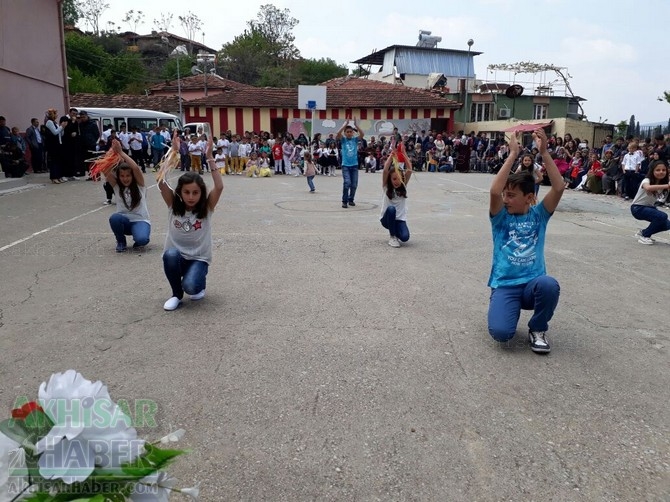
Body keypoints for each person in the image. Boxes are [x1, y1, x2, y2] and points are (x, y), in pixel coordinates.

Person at [487, 128, 564, 354]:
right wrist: (513, 154)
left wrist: (545, 152)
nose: (505, 199)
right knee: (501, 334)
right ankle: (500, 302)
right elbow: (494, 191)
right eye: (505, 195)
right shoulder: (500, 218)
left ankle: (538, 329)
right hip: (505, 284)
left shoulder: (539, 215)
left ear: (530, 198)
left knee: (549, 284)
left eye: (511, 196)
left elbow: (559, 187)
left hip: (533, 284)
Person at [158, 135, 224, 311]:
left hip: (198, 259)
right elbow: (160, 181)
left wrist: (209, 156)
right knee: (170, 255)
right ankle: (176, 295)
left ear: (201, 193)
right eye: (187, 192)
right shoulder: (173, 204)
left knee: (193, 289)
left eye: (195, 192)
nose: (191, 197)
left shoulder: (207, 207)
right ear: (180, 192)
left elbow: (219, 187)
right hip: (178, 257)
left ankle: (197, 281)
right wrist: (173, 152)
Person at [105, 140, 151, 252]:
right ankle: (121, 241)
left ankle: (138, 239)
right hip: (123, 221)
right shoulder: (117, 186)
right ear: (119, 177)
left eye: (128, 175)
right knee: (114, 218)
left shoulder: (140, 185)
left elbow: (135, 168)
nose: (125, 178)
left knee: (142, 239)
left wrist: (121, 152)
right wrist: (111, 152)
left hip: (140, 220)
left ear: (133, 176)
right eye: (122, 176)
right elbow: (105, 169)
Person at [380, 143, 413, 247]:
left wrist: (403, 153)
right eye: (394, 178)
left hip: (399, 220)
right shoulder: (386, 187)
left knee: (405, 237)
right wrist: (392, 154)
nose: (397, 181)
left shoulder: (403, 186)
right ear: (390, 179)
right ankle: (392, 237)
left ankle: (396, 231)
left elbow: (409, 170)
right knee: (391, 209)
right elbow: (385, 170)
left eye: (399, 178)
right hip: (386, 219)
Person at [630, 159, 670, 245]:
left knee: (667, 224)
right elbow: (648, 188)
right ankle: (645, 235)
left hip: (650, 208)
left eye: (663, 170)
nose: (661, 172)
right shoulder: (646, 180)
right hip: (637, 208)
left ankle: (643, 232)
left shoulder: (664, 182)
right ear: (652, 171)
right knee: (663, 216)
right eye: (658, 170)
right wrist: (667, 186)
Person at [337, 117, 364, 208]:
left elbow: (362, 134)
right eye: (347, 132)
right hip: (345, 166)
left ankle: (351, 199)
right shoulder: (343, 140)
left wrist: (356, 125)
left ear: (353, 133)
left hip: (354, 165)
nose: (349, 133)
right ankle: (344, 201)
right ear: (345, 133)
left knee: (354, 184)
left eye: (350, 132)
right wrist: (345, 125)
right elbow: (338, 134)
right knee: (347, 183)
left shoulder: (355, 140)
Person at [44, 109, 69, 184]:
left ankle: (59, 176)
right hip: (53, 145)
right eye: (55, 114)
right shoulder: (49, 122)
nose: (56, 115)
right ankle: (54, 177)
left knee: (59, 161)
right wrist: (61, 126)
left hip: (58, 144)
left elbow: (60, 133)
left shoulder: (55, 122)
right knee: (54, 162)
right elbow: (55, 132)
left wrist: (63, 128)